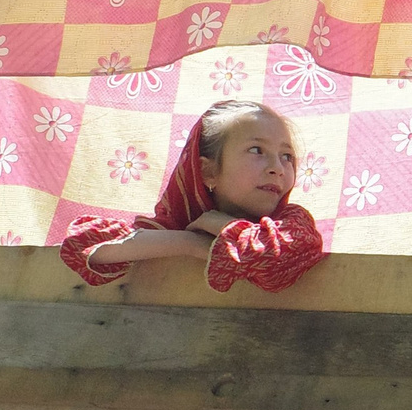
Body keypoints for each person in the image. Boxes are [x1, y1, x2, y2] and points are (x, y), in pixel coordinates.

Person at [61, 100, 326, 292]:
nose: (277, 169)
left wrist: (219, 225)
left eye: (287, 156)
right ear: (207, 170)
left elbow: (277, 259)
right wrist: (190, 243)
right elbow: (84, 246)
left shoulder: (292, 223)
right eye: (257, 150)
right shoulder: (175, 224)